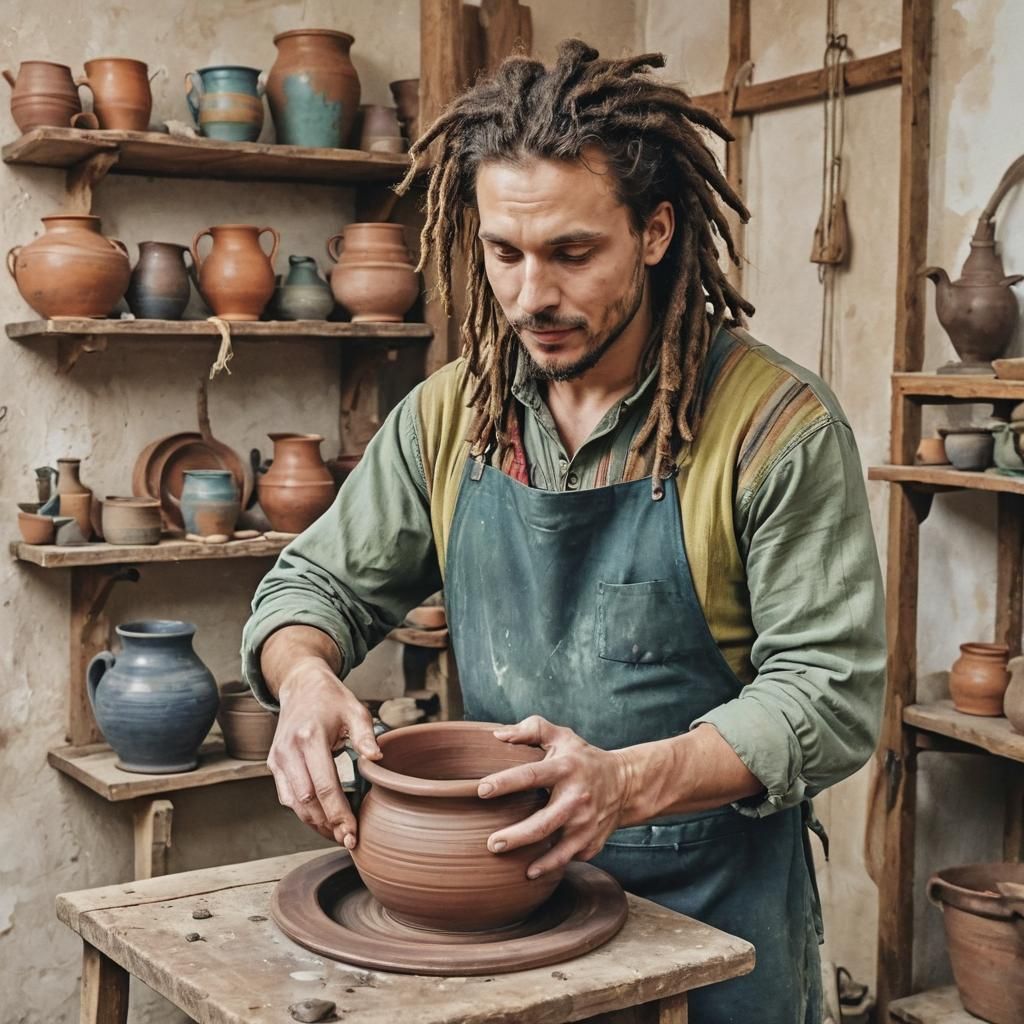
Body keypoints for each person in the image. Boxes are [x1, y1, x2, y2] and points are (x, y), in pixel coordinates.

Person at [241, 39, 885, 1023]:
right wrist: (304, 681)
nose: (531, 295)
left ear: (656, 231)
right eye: (505, 252)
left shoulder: (773, 429)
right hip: (501, 933)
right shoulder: (450, 418)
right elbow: (310, 588)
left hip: (716, 937)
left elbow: (829, 695)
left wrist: (622, 783)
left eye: (572, 253)